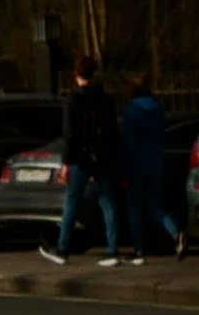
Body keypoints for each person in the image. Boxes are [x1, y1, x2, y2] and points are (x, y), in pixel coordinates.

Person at [40, 56, 121, 267]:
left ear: (76, 76)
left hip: (80, 157)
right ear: (94, 75)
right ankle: (112, 250)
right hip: (102, 155)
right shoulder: (106, 99)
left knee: (73, 201)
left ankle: (63, 248)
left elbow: (69, 134)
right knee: (107, 202)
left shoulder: (72, 101)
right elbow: (113, 130)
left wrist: (66, 163)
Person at [121, 76, 185, 262]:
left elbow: (129, 142)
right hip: (156, 162)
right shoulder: (157, 108)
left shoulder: (131, 109)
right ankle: (175, 232)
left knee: (135, 208)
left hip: (136, 164)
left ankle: (138, 248)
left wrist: (125, 168)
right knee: (154, 206)